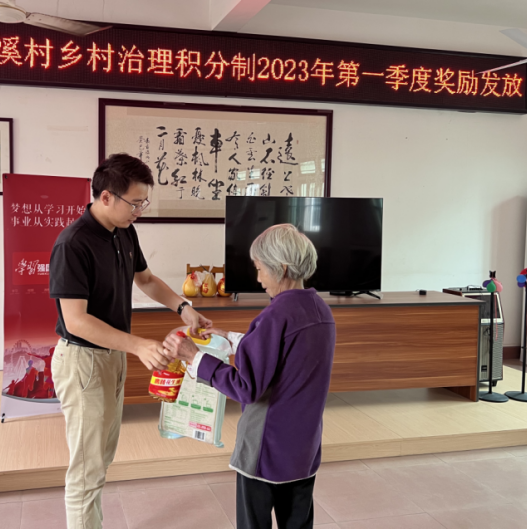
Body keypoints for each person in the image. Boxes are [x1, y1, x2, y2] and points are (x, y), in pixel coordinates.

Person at [50, 153, 212, 529]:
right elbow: (76, 321)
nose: (139, 211)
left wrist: (183, 307)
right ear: (106, 196)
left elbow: (147, 279)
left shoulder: (123, 231)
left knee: (101, 457)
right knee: (87, 469)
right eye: (135, 203)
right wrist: (138, 345)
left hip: (113, 357)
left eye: (144, 203)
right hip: (83, 362)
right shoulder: (73, 244)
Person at [164, 223, 335, 529]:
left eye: (260, 268)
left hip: (265, 448)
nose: (258, 278)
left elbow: (246, 388)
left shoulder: (274, 316)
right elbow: (282, 354)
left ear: (281, 268)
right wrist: (229, 338)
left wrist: (195, 357)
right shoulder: (320, 310)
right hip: (303, 447)